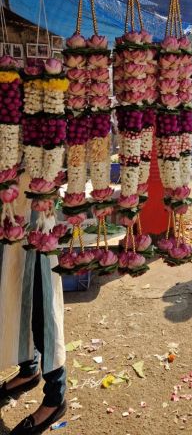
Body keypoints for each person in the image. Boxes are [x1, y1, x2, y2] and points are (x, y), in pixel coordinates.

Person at [0, 184, 67, 434]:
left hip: (36, 205)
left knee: (42, 301)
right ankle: (28, 370)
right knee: (10, 291)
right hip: (7, 205)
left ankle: (55, 397)